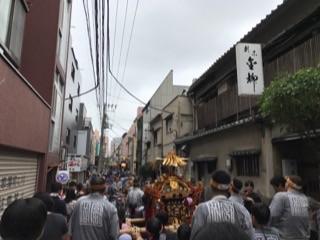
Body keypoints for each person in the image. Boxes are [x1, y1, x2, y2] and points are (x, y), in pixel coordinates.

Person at [190, 170, 254, 240]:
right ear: (229, 188)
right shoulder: (241, 210)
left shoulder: (202, 209)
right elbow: (249, 236)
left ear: (211, 186)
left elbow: (195, 236)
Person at [69, 175, 119, 240]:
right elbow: (114, 235)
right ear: (105, 189)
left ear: (90, 188)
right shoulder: (110, 208)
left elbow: (70, 231)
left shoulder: (79, 203)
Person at [269, 175, 309, 240]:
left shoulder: (281, 196)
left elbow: (271, 217)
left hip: (284, 237)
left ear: (288, 184)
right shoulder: (305, 198)